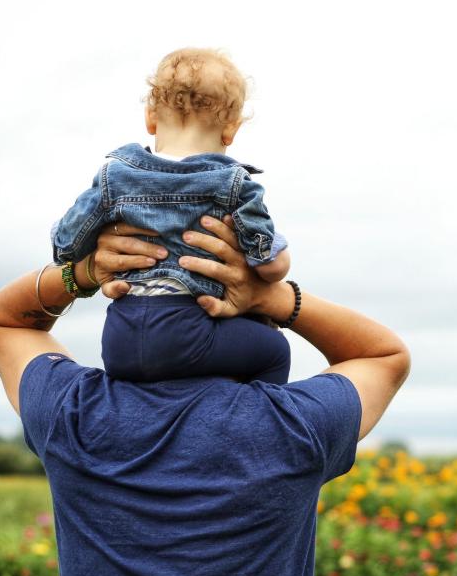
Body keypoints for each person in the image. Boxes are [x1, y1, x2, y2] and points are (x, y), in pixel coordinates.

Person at [0, 215, 410, 576]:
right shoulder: (293, 428)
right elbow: (382, 355)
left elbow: (6, 323)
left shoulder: (76, 416)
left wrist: (83, 272)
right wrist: (275, 297)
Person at [51, 48, 292, 384]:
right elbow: (268, 265)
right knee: (274, 350)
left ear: (150, 118)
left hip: (120, 338)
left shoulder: (114, 176)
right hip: (190, 331)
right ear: (231, 131)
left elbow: (66, 245)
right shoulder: (234, 183)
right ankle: (259, 424)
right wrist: (278, 258)